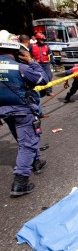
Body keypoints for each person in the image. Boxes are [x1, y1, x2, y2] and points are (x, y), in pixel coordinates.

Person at [0, 30, 49, 197]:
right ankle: (20, 182)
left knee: (23, 139)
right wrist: (32, 62)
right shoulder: (20, 67)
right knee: (27, 143)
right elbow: (43, 80)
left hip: (5, 112)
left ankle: (36, 162)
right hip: (22, 111)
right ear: (16, 49)